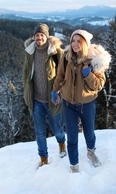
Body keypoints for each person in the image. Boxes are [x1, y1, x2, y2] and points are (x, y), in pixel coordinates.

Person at [51, 29, 111, 173]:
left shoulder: (94, 61)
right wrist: (55, 90)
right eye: (73, 40)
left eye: (79, 41)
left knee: (89, 133)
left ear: (85, 43)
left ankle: (91, 152)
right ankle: (74, 167)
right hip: (68, 104)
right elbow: (59, 76)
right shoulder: (66, 58)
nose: (75, 44)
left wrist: (88, 74)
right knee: (71, 138)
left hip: (87, 104)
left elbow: (98, 85)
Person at [23, 23, 66, 166]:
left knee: (57, 129)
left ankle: (61, 142)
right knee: (39, 133)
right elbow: (26, 73)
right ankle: (43, 158)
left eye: (42, 35)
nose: (39, 37)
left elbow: (64, 74)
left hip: (52, 99)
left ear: (46, 36)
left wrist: (59, 92)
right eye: (37, 35)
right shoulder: (30, 52)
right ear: (34, 37)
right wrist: (26, 93)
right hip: (37, 101)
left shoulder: (56, 52)